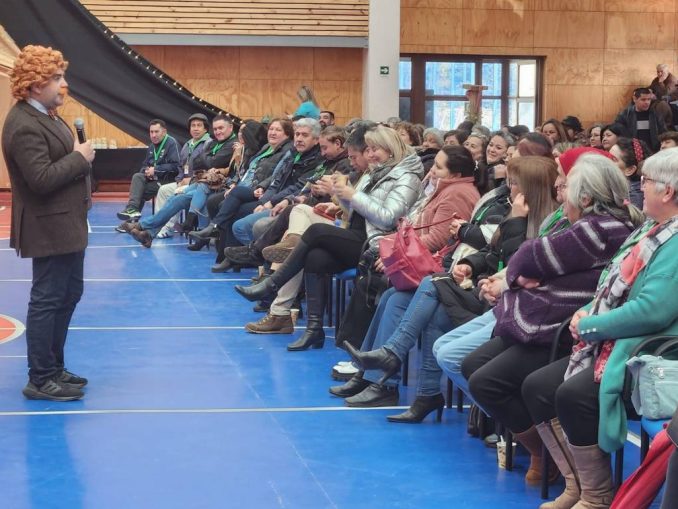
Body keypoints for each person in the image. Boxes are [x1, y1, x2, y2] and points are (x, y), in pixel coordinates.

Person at [462, 153, 642, 488]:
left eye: (566, 184)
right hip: (545, 318)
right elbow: (530, 259)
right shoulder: (583, 223)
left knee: (487, 382)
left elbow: (528, 256)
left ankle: (546, 454)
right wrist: (523, 277)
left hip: (558, 329)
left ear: (585, 198)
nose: (560, 188)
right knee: (472, 365)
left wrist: (520, 277)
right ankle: (546, 450)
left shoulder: (599, 229)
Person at [521, 147, 678, 509]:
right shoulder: (650, 230)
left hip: (648, 351)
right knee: (538, 387)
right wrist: (585, 313)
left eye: (646, 181)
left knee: (573, 395)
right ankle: (577, 486)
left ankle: (596, 496)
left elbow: (652, 311)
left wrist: (591, 325)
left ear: (668, 191)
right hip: (618, 340)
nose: (639, 187)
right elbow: (610, 286)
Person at [234, 125, 424, 352]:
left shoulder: (406, 177)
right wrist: (341, 199)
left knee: (315, 232)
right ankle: (314, 330)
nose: (371, 154)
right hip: (358, 234)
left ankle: (272, 283)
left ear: (390, 149)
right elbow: (355, 212)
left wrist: (352, 195)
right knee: (315, 257)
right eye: (369, 149)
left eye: (376, 149)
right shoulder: (376, 172)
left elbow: (387, 218)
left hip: (377, 244)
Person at [2, 45, 95, 401]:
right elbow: (40, 179)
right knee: (47, 300)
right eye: (56, 78)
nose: (63, 84)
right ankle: (40, 378)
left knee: (68, 294)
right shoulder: (23, 124)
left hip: (67, 224)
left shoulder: (48, 115)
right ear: (35, 83)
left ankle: (54, 367)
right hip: (48, 226)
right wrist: (79, 158)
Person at [125, 115, 237, 248]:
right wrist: (186, 175)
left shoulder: (228, 144)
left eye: (221, 128)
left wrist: (206, 158)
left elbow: (211, 162)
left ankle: (143, 226)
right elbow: (195, 163)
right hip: (201, 183)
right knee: (175, 198)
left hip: (218, 187)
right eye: (216, 129)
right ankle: (149, 234)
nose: (218, 131)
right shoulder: (212, 143)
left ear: (230, 127)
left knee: (181, 196)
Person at [149, 113, 212, 238]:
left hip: (199, 184)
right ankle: (160, 226)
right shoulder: (188, 144)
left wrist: (191, 179)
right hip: (184, 182)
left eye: (199, 125)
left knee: (177, 193)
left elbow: (209, 167)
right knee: (164, 190)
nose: (195, 128)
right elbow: (181, 166)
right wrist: (179, 179)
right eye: (193, 125)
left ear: (205, 129)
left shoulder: (209, 143)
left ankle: (168, 228)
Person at [116, 119, 181, 221]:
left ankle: (131, 220)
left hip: (169, 181)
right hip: (155, 180)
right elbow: (145, 165)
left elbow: (177, 166)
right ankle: (132, 210)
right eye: (151, 132)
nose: (153, 135)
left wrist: (155, 170)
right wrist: (146, 171)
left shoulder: (172, 143)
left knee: (139, 192)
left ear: (164, 132)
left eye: (156, 131)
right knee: (138, 176)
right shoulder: (151, 147)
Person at [615, 87, 666, 152]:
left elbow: (663, 133)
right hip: (632, 151)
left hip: (653, 151)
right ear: (635, 99)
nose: (647, 102)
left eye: (649, 99)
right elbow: (617, 133)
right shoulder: (625, 115)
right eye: (643, 100)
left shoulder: (655, 114)